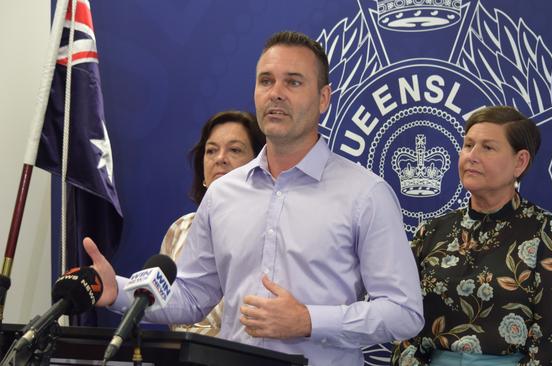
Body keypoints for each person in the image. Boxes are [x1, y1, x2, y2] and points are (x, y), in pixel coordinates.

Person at [84, 31, 424, 365]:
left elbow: (403, 312)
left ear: (323, 99)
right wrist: (118, 291)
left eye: (293, 82)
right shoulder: (223, 193)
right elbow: (190, 296)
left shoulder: (365, 194)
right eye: (265, 81)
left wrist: (309, 320)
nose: (275, 94)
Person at [391, 106, 552, 366]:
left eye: (488, 148)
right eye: (468, 145)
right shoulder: (432, 232)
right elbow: (403, 320)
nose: (471, 156)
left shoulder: (548, 233)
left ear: (520, 161)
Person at [160, 110, 265, 336]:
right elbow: (169, 302)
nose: (220, 158)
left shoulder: (271, 228)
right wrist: (118, 292)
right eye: (211, 151)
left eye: (235, 150)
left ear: (260, 163)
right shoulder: (180, 229)